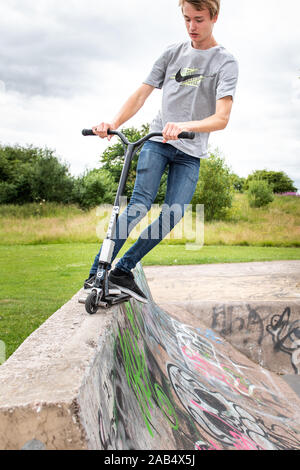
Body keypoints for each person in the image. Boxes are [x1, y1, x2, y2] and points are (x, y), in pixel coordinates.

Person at [84, 0, 238, 303]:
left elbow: (222, 118)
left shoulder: (225, 62)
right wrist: (112, 123)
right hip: (157, 142)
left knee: (173, 214)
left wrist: (183, 125)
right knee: (138, 205)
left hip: (190, 151)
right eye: (186, 20)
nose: (192, 27)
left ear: (214, 17)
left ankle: (123, 270)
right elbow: (141, 94)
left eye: (199, 20)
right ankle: (96, 275)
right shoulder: (172, 53)